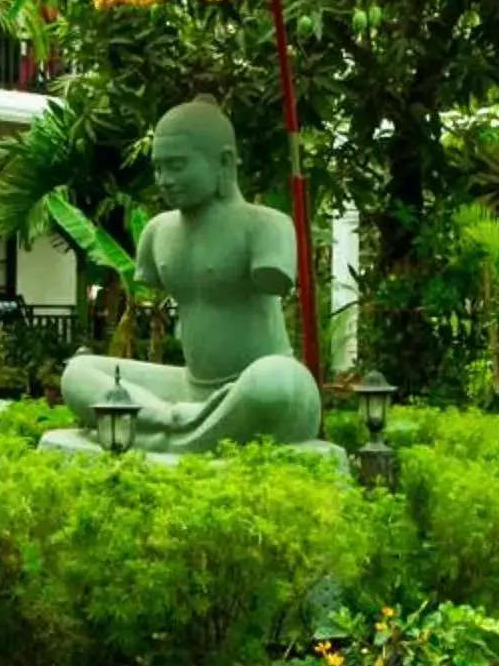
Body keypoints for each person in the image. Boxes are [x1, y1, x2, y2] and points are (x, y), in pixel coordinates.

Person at [55, 99, 327, 455]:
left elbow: (278, 283)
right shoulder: (158, 232)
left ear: (224, 162)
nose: (165, 180)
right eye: (159, 168)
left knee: (278, 383)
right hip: (187, 392)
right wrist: (176, 409)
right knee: (78, 372)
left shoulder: (265, 226)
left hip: (249, 388)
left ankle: (146, 432)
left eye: (178, 166)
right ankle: (174, 425)